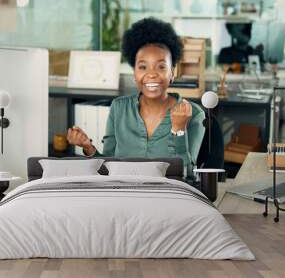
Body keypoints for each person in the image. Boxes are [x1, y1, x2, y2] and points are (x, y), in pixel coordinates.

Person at [67, 17, 205, 177]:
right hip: (123, 195)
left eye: (161, 66)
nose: (151, 74)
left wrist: (179, 130)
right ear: (135, 73)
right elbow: (108, 168)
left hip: (166, 198)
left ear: (172, 72)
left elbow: (187, 176)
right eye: (143, 67)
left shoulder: (194, 114)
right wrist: (87, 147)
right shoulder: (119, 108)